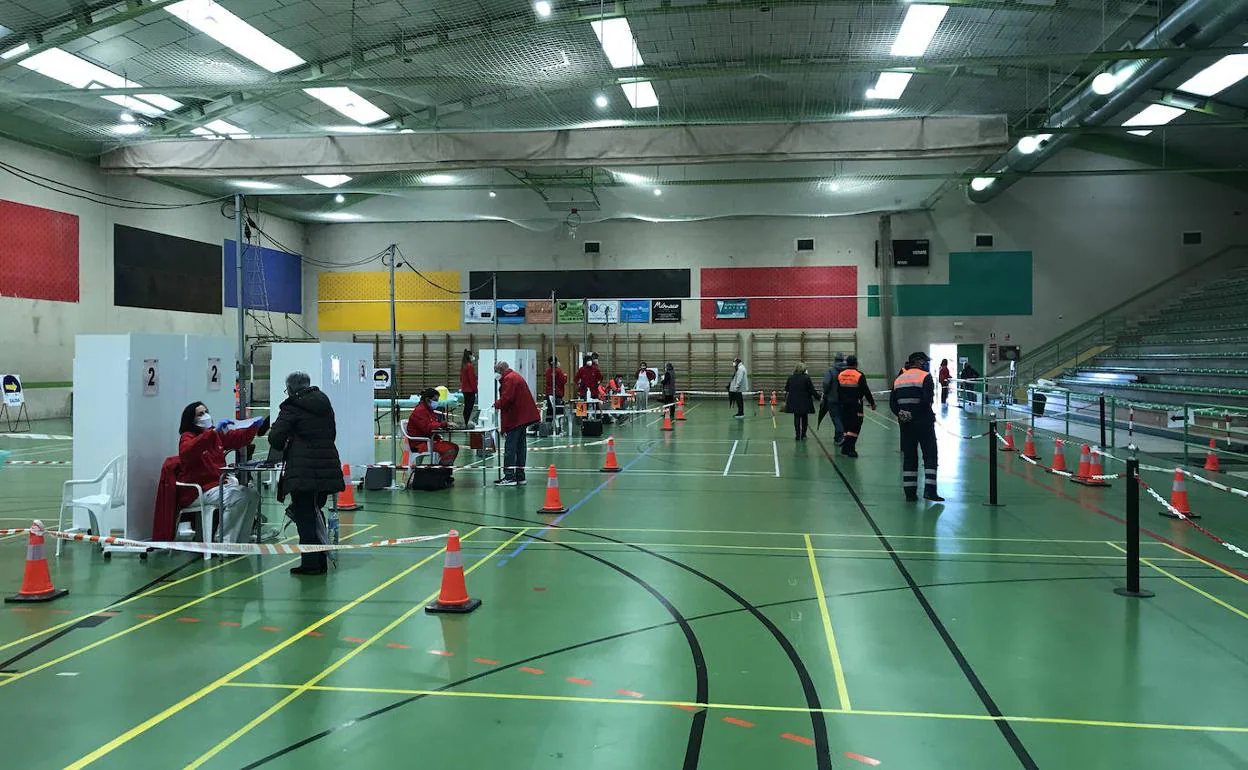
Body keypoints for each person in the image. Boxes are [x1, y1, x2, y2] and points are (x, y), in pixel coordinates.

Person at [268, 371, 345, 575]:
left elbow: (275, 438)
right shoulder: (324, 403)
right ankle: (320, 560)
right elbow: (332, 433)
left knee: (304, 516)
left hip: (302, 469)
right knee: (316, 512)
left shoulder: (291, 406)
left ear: (291, 388)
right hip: (327, 466)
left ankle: (311, 563)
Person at [176, 402, 268, 543]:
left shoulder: (215, 435)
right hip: (198, 490)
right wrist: (212, 433)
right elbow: (188, 451)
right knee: (238, 496)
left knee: (253, 495)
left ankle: (240, 541)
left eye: (206, 412)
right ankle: (224, 542)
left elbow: (237, 438)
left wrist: (253, 427)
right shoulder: (188, 437)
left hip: (217, 485)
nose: (205, 416)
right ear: (191, 419)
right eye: (200, 414)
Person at [891, 352, 942, 502]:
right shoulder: (925, 377)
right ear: (918, 362)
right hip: (923, 422)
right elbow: (927, 401)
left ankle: (910, 493)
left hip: (905, 424)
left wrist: (901, 413)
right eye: (925, 361)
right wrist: (913, 413)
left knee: (909, 457)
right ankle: (930, 491)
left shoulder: (899, 378)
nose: (926, 364)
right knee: (930, 455)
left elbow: (892, 402)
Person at [493, 360, 541, 487]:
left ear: (501, 370)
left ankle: (509, 476)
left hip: (516, 419)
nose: (496, 374)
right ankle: (520, 476)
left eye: (496, 372)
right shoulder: (514, 376)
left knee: (510, 448)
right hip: (522, 418)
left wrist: (496, 404)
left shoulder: (509, 379)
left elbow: (507, 399)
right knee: (520, 448)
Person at [835, 355, 876, 457]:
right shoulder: (859, 375)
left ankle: (850, 449)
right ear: (856, 363)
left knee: (847, 427)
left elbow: (838, 390)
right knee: (855, 427)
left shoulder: (840, 375)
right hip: (855, 405)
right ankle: (847, 448)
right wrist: (872, 403)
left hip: (843, 405)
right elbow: (866, 391)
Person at [406, 388, 459, 466]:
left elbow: (433, 424)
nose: (436, 402)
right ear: (428, 399)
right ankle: (442, 472)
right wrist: (443, 424)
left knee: (455, 447)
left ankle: (444, 472)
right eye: (435, 400)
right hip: (420, 444)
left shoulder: (428, 410)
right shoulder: (420, 411)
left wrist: (444, 425)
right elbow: (427, 427)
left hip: (428, 440)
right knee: (450, 449)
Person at [783, 363, 819, 440]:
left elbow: (787, 389)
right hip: (805, 401)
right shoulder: (806, 378)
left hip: (794, 401)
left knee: (796, 417)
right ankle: (803, 435)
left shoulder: (791, 377)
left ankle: (797, 435)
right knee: (804, 418)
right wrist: (819, 398)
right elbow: (812, 390)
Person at [817, 353, 847, 443]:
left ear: (835, 360)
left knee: (835, 417)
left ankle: (841, 436)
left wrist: (826, 392)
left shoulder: (830, 371)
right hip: (845, 399)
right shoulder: (847, 371)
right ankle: (837, 438)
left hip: (832, 398)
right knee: (842, 417)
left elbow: (826, 383)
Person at [544, 356, 568, 423]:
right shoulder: (558, 371)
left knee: (549, 411)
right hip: (557, 393)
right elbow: (563, 381)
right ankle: (559, 428)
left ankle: (548, 426)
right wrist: (565, 376)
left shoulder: (547, 371)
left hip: (549, 393)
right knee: (559, 411)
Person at [459, 350, 478, 425]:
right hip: (470, 390)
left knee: (466, 406)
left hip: (465, 389)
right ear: (469, 356)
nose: (473, 357)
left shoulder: (464, 365)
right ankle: (466, 422)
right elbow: (472, 379)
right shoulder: (470, 366)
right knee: (469, 407)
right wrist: (475, 390)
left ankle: (465, 421)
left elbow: (461, 378)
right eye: (472, 355)